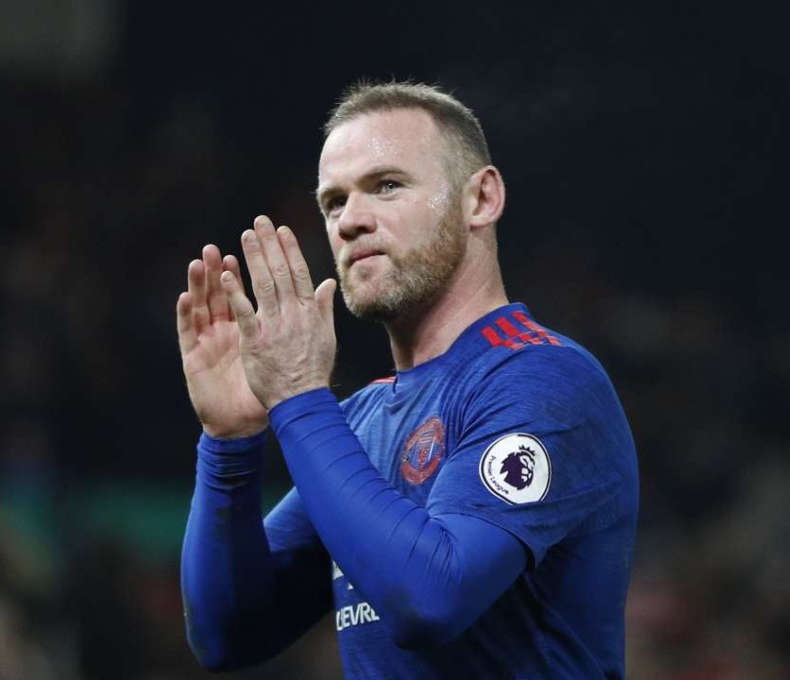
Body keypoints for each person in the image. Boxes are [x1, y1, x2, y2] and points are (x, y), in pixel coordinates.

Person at [176, 80, 638, 679]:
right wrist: (229, 443)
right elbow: (226, 635)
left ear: (481, 198)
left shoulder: (545, 379)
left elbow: (429, 600)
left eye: (386, 186)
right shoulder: (362, 420)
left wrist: (296, 395)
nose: (349, 223)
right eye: (334, 203)